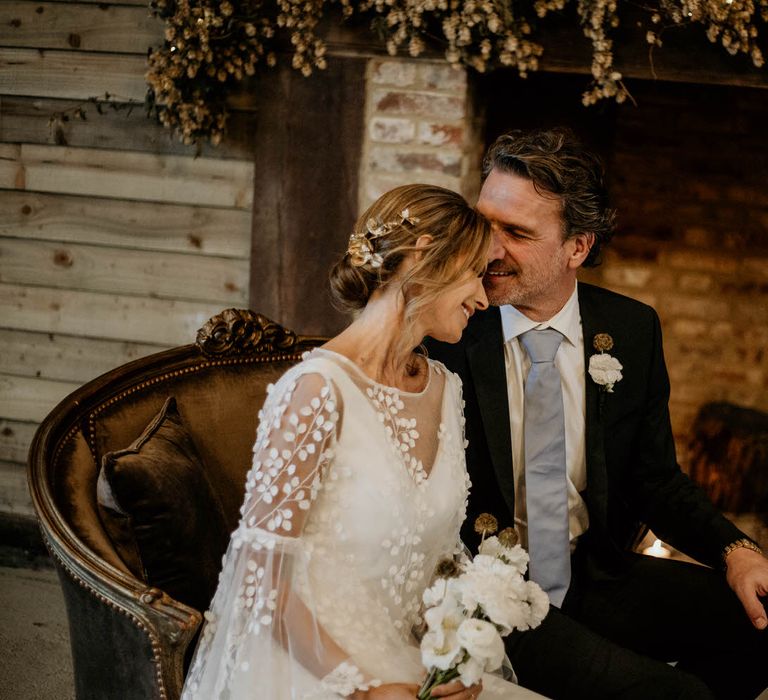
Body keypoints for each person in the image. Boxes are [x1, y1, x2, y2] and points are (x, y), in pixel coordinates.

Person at [426, 128, 768, 700]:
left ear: (577, 247)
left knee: (759, 628)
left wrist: (737, 552)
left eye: (517, 232)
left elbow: (656, 478)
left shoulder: (631, 329)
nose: (488, 247)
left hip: (594, 574)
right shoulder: (448, 328)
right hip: (489, 593)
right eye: (485, 222)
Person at [181, 184, 546, 699]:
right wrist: (364, 691)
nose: (484, 298)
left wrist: (453, 656)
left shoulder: (446, 389)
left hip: (409, 659)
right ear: (423, 255)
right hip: (307, 664)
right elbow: (260, 583)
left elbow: (437, 558)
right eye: (474, 274)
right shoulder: (314, 393)